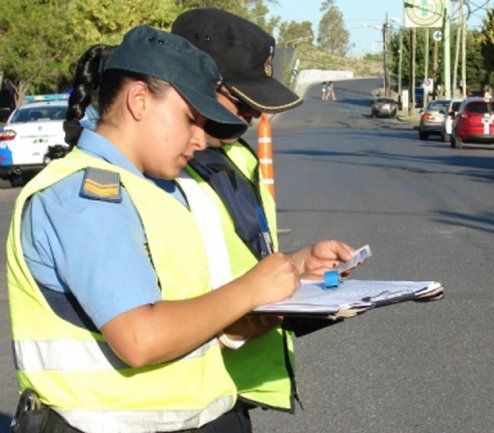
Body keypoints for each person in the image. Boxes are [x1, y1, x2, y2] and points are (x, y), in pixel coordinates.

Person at [6, 25, 336, 433]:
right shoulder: (87, 195)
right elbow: (140, 339)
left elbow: (189, 316)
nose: (201, 139)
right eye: (190, 119)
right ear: (139, 101)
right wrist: (252, 289)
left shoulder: (156, 191)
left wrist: (260, 307)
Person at [171, 8, 351, 414]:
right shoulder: (153, 171)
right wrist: (233, 325)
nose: (255, 116)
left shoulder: (237, 156)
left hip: (229, 394)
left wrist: (298, 264)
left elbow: (240, 256)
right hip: (180, 400)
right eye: (242, 101)